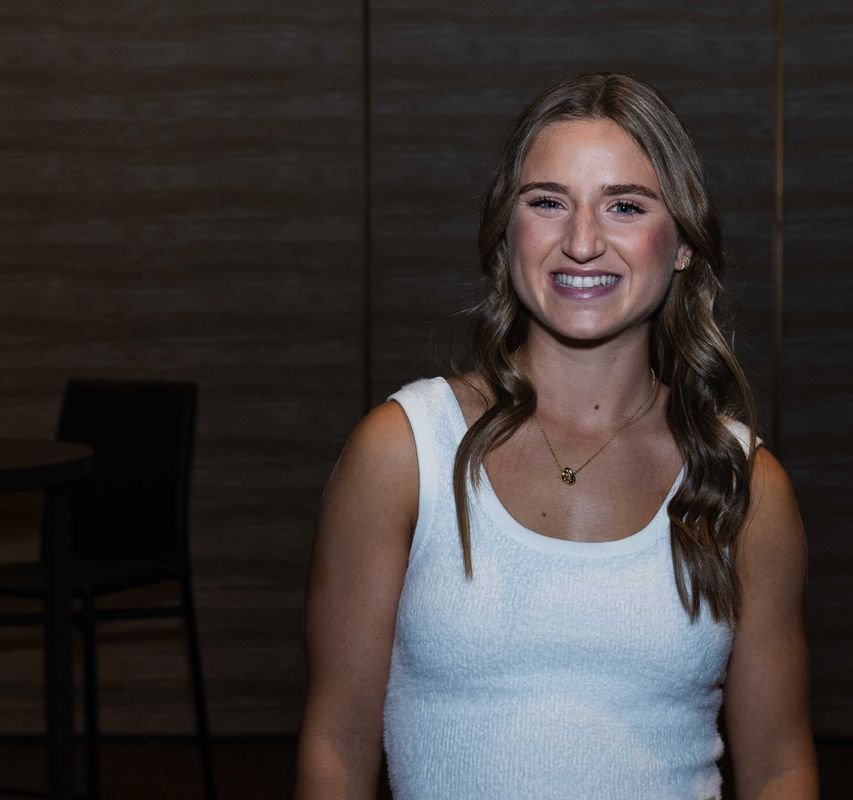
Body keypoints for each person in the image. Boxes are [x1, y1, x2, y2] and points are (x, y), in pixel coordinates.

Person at [296, 72, 817, 800]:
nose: (581, 242)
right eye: (547, 203)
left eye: (625, 206)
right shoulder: (403, 451)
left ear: (682, 246)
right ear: (507, 233)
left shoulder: (747, 485)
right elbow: (338, 748)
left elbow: (778, 770)